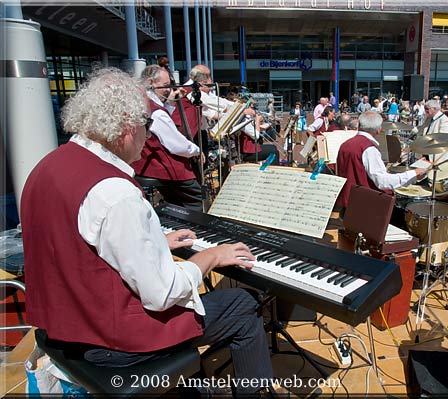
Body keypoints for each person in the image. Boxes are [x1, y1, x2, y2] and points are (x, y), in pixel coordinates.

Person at [20, 68, 275, 396]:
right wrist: (212, 256)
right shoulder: (115, 193)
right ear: (126, 126)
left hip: (64, 328)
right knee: (242, 303)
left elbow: (78, 244)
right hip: (113, 344)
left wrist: (156, 242)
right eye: (148, 124)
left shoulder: (48, 165)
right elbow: (162, 294)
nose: (149, 135)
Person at [131, 65, 204, 213]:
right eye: (165, 86)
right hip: (164, 167)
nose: (169, 89)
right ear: (151, 83)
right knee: (197, 198)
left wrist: (170, 101)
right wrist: (197, 151)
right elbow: (177, 146)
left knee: (177, 202)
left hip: (148, 166)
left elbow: (165, 123)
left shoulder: (144, 103)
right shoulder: (156, 112)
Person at [336, 111, 428, 209]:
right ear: (379, 129)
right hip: (364, 206)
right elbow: (382, 182)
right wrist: (413, 174)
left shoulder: (345, 144)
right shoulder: (369, 149)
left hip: (347, 202)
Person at [420, 99, 448, 163]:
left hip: (436, 154)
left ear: (434, 109)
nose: (425, 111)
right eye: (425, 109)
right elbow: (422, 130)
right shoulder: (429, 118)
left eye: (427, 109)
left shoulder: (443, 119)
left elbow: (443, 137)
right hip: (426, 151)